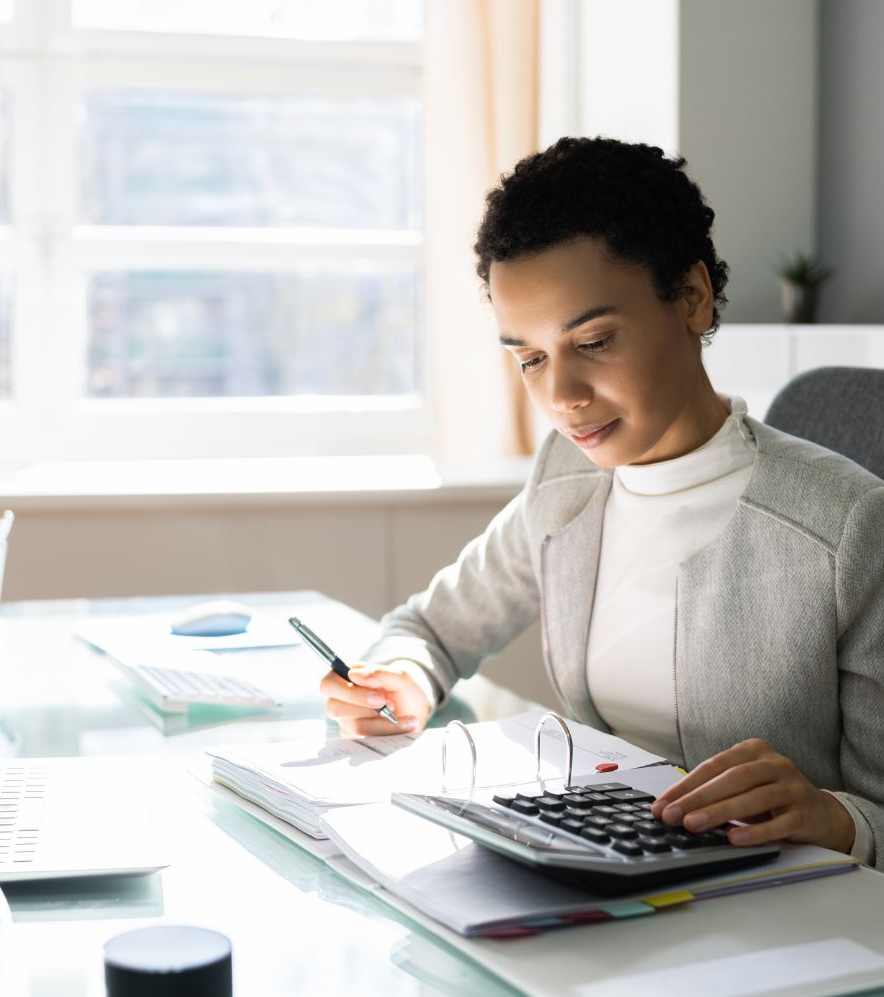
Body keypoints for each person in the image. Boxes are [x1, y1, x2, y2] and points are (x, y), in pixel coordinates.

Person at [320, 136, 884, 868]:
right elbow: (430, 627)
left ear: (691, 297)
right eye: (530, 357)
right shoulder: (567, 481)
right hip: (604, 879)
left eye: (592, 341)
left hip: (781, 909)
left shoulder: (849, 529)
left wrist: (833, 818)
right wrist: (403, 678)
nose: (560, 396)